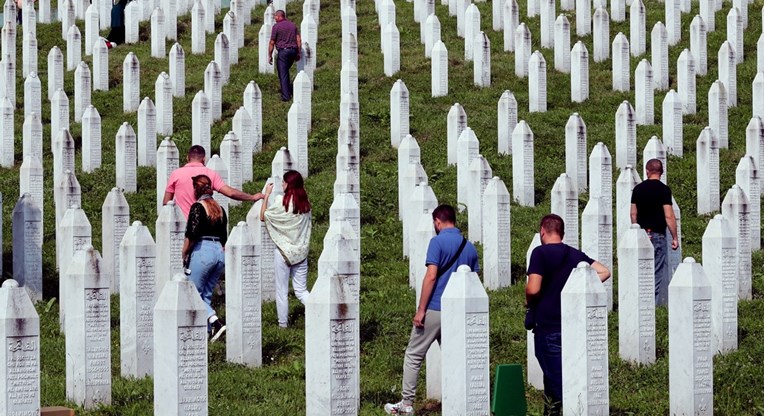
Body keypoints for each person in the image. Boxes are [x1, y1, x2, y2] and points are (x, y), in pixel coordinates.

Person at [384, 204, 480, 415]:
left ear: (438, 221)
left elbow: (431, 276)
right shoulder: (470, 247)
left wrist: (421, 309)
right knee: (455, 356)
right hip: (459, 312)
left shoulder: (436, 242)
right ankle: (461, 400)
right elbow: (475, 281)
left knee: (413, 355)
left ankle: (407, 403)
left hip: (435, 308)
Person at [525, 214, 610, 415]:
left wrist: (528, 302)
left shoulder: (540, 253)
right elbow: (604, 272)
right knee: (554, 378)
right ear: (562, 233)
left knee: (557, 379)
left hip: (548, 326)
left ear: (542, 231)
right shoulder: (575, 255)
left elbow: (533, 288)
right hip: (572, 326)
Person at [260, 170, 312, 328]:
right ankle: (319, 310)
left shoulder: (280, 201)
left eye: (284, 182)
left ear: (289, 184)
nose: (282, 184)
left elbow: (264, 216)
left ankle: (283, 324)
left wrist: (266, 195)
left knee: (281, 290)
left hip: (283, 252)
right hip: (300, 252)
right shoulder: (305, 205)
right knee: (301, 291)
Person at [181, 175, 228, 342]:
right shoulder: (220, 209)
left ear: (196, 189)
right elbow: (224, 236)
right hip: (220, 253)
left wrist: (184, 252)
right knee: (206, 294)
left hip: (203, 250)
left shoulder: (197, 207)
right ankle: (208, 332)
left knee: (193, 293)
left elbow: (192, 234)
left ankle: (216, 322)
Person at [164, 145, 264, 218]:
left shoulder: (175, 174)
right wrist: (252, 197)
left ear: (187, 158)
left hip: (182, 226)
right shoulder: (210, 174)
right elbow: (231, 193)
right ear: (204, 159)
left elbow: (166, 203)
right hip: (203, 225)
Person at [630, 158, 678, 306]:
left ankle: (638, 304)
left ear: (647, 171)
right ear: (661, 173)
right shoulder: (664, 190)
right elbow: (669, 215)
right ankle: (651, 307)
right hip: (658, 235)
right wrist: (675, 237)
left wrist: (637, 231)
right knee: (655, 273)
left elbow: (633, 214)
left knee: (641, 271)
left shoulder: (638, 189)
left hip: (642, 235)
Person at [268, 10, 301, 102]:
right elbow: (298, 39)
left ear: (278, 16)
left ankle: (286, 96)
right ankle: (289, 89)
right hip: (293, 51)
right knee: (285, 71)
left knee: (283, 74)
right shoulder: (292, 25)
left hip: (283, 52)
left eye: (275, 16)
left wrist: (269, 55)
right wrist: (298, 52)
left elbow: (272, 42)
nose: (274, 18)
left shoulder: (276, 26)